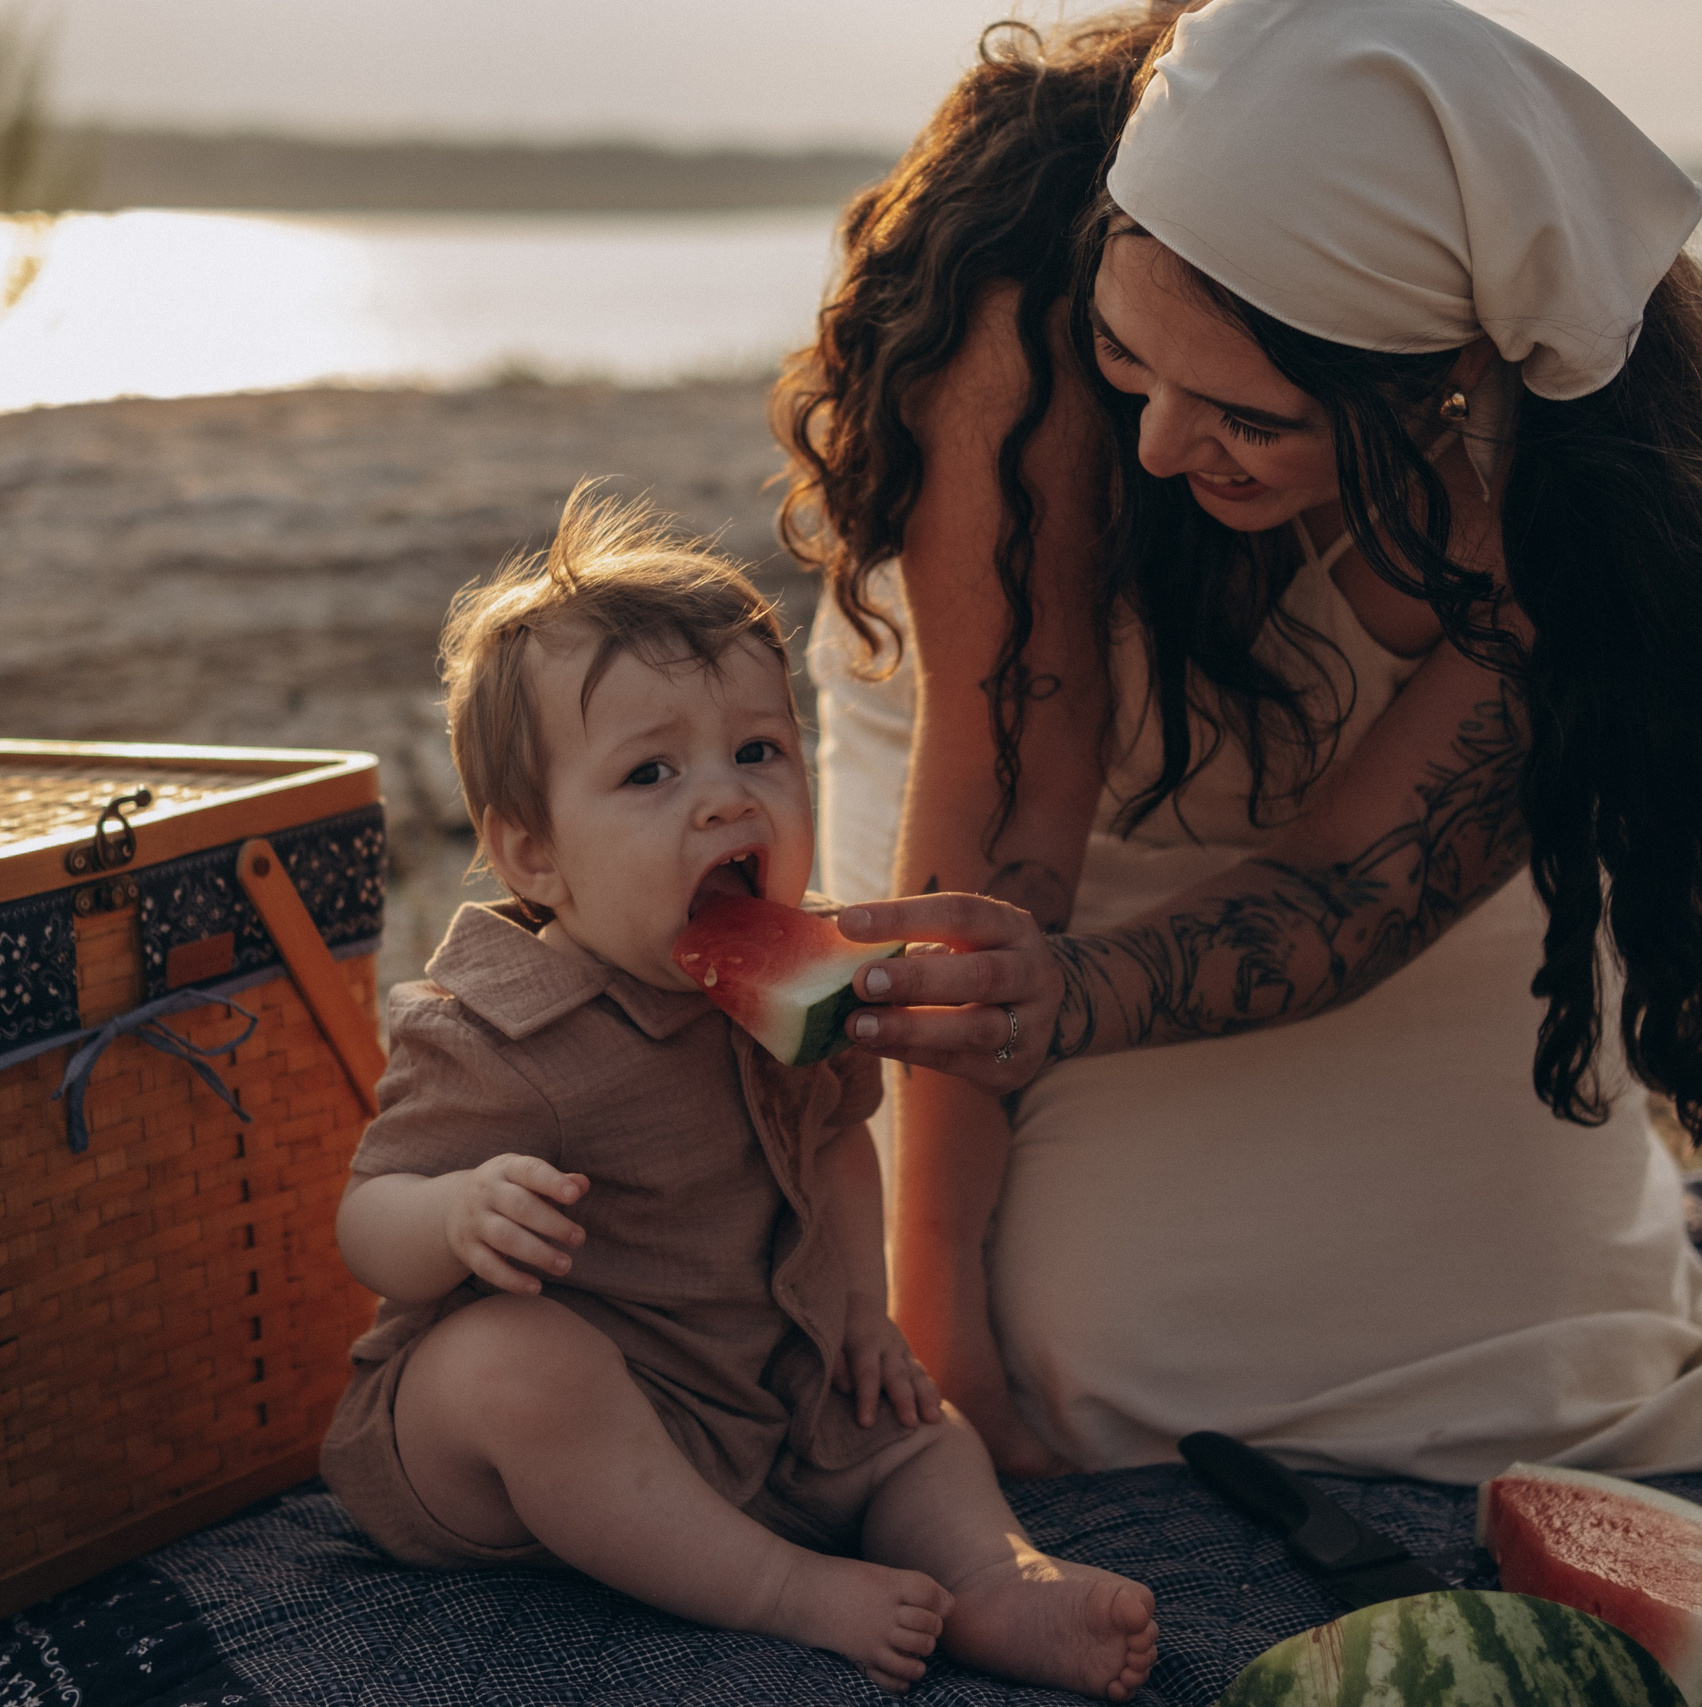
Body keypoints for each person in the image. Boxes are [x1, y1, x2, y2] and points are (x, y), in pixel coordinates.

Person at [777, 0, 1702, 1483]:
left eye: (1244, 417)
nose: (1157, 446)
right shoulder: (1034, 306)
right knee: (1095, 1351)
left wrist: (1077, 997)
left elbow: (1352, 886)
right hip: (1019, 821)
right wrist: (935, 1307)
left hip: (1376, 883)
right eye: (1139, 366)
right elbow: (1005, 811)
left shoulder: (1567, 474)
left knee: (1543, 1346)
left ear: (1438, 381)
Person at [318, 487, 1159, 1701]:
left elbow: (831, 1147)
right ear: (531, 856)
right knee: (510, 1361)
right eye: (651, 772)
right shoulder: (506, 1030)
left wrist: (865, 1314)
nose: (724, 798)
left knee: (913, 1422)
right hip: (518, 1463)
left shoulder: (800, 980)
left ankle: (996, 1578)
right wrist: (452, 1215)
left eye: (758, 752)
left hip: (757, 1407)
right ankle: (784, 1592)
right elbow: (366, 1220)